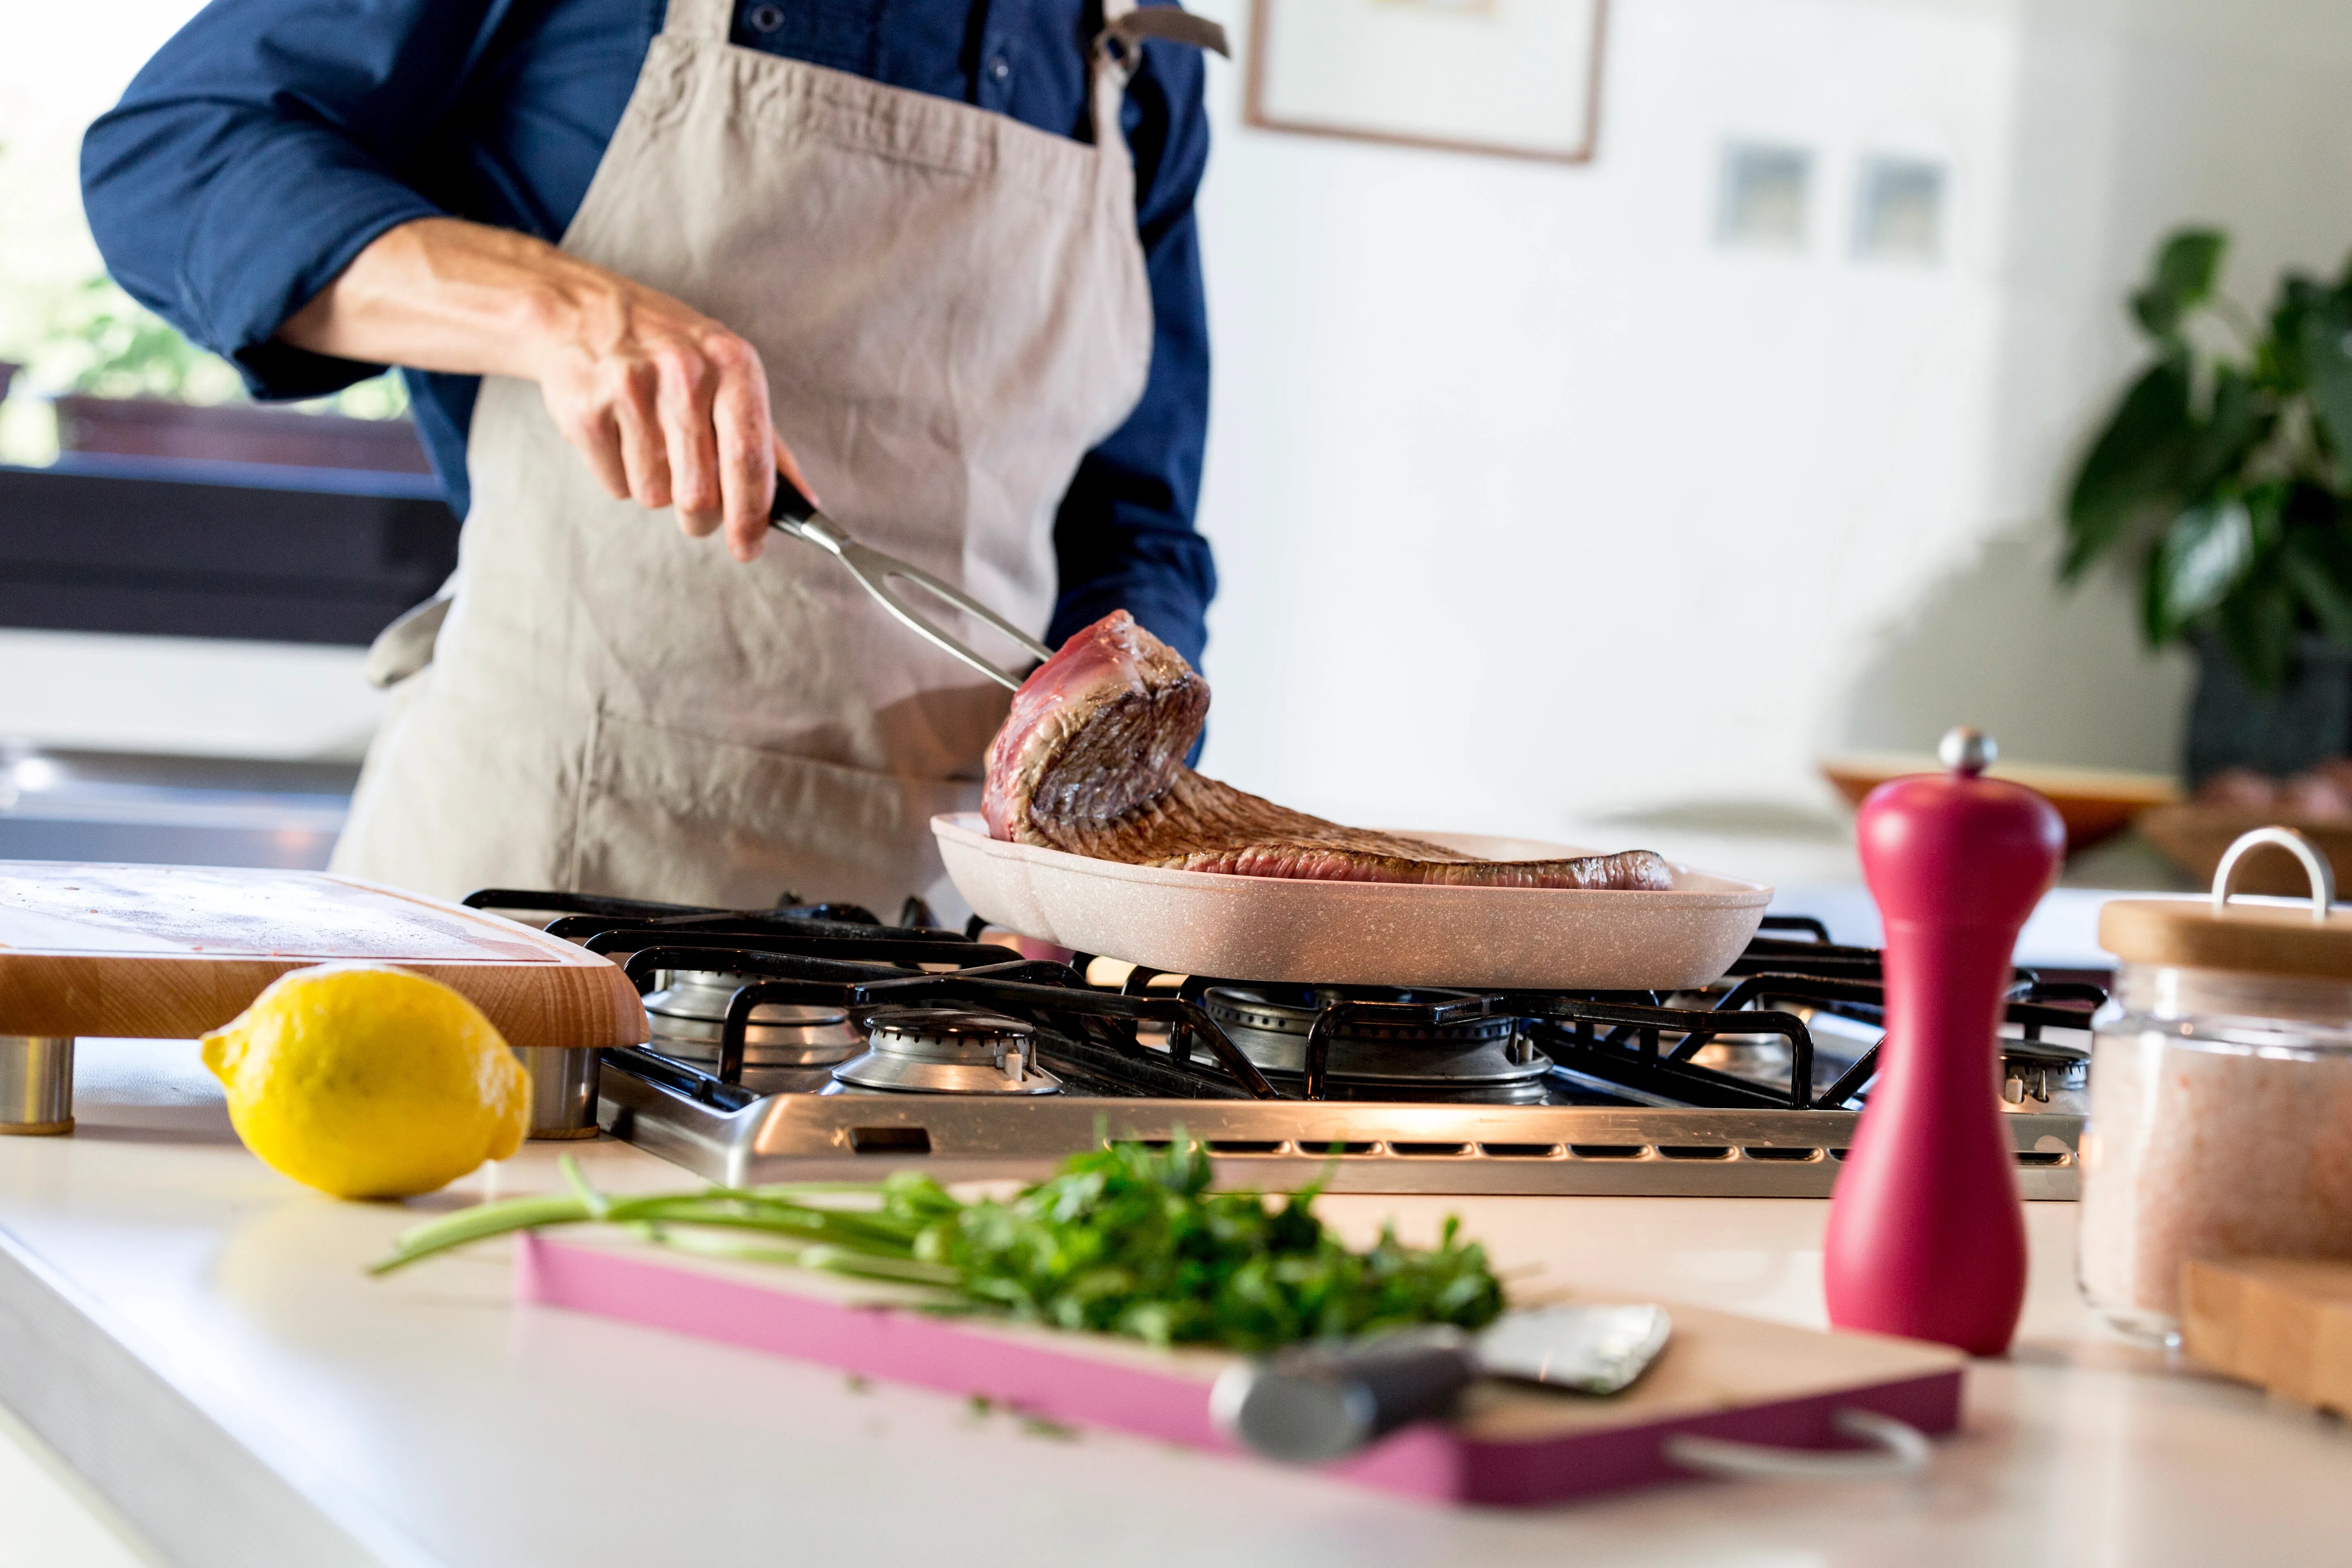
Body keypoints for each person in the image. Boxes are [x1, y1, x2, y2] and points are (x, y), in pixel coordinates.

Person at [81, 0, 1222, 918]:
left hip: (943, 954)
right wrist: (558, 311)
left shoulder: (1143, 63)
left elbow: (1134, 526)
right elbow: (179, 157)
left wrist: (1109, 797)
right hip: (536, 885)